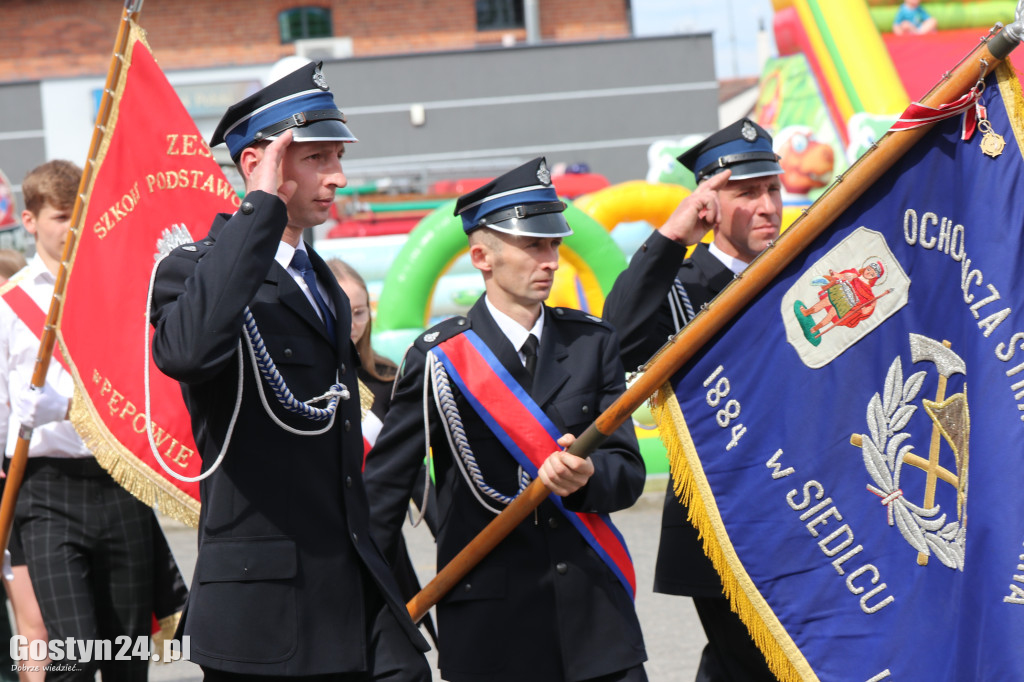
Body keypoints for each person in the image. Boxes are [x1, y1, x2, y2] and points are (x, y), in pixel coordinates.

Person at [149, 61, 430, 681]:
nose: (338, 176)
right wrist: (258, 211)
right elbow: (188, 353)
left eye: (337, 156)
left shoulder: (321, 280)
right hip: (266, 609)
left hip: (351, 585)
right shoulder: (194, 269)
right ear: (259, 163)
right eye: (317, 158)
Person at [365, 157, 648, 682]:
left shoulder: (592, 344)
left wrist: (588, 479)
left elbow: (628, 473)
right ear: (482, 257)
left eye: (554, 244)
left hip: (596, 625)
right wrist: (372, 622)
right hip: (491, 628)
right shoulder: (437, 359)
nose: (551, 261)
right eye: (532, 245)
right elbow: (380, 504)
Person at [603, 118, 783, 682]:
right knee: (747, 663)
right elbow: (620, 339)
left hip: (809, 510)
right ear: (708, 200)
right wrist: (672, 238)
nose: (767, 205)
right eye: (746, 191)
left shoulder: (803, 270)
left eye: (772, 188)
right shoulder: (680, 286)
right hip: (725, 519)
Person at [0, 160, 172, 682]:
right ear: (30, 221)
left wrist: (72, 400)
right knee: (71, 657)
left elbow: (139, 377)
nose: (71, 227)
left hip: (118, 479)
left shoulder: (116, 291)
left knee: (127, 658)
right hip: (46, 490)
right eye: (58, 216)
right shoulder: (10, 303)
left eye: (79, 214)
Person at [326, 258, 438, 646]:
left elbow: (413, 471)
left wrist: (452, 535)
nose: (353, 324)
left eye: (359, 312)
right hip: (324, 543)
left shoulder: (389, 378)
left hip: (382, 541)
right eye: (343, 312)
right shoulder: (299, 382)